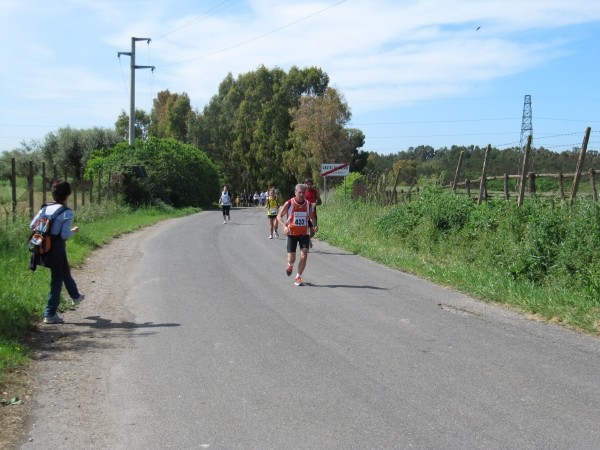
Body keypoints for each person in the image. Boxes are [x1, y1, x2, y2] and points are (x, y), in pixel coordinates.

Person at [30, 180, 85, 324]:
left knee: (64, 270)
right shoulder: (67, 213)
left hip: (42, 248)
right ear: (67, 195)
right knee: (57, 280)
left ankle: (75, 296)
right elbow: (64, 235)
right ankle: (50, 314)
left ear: (53, 194)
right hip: (56, 249)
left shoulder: (45, 208)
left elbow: (32, 225)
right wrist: (73, 231)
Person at [277, 183, 318, 286]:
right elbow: (278, 217)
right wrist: (284, 227)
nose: (301, 194)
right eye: (299, 192)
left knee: (304, 255)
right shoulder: (289, 203)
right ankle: (290, 265)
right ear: (295, 192)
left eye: (303, 193)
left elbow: (312, 217)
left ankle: (298, 276)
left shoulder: (308, 204)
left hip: (304, 234)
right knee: (292, 258)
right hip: (291, 234)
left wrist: (314, 225)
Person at [304, 179, 322, 248]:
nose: (308, 186)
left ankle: (308, 238)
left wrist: (316, 203)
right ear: (304, 184)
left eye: (310, 184)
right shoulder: (302, 191)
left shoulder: (315, 191)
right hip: (304, 213)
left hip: (313, 213)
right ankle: (305, 245)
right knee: (305, 230)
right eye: (307, 184)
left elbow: (320, 202)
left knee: (313, 232)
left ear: (312, 184)